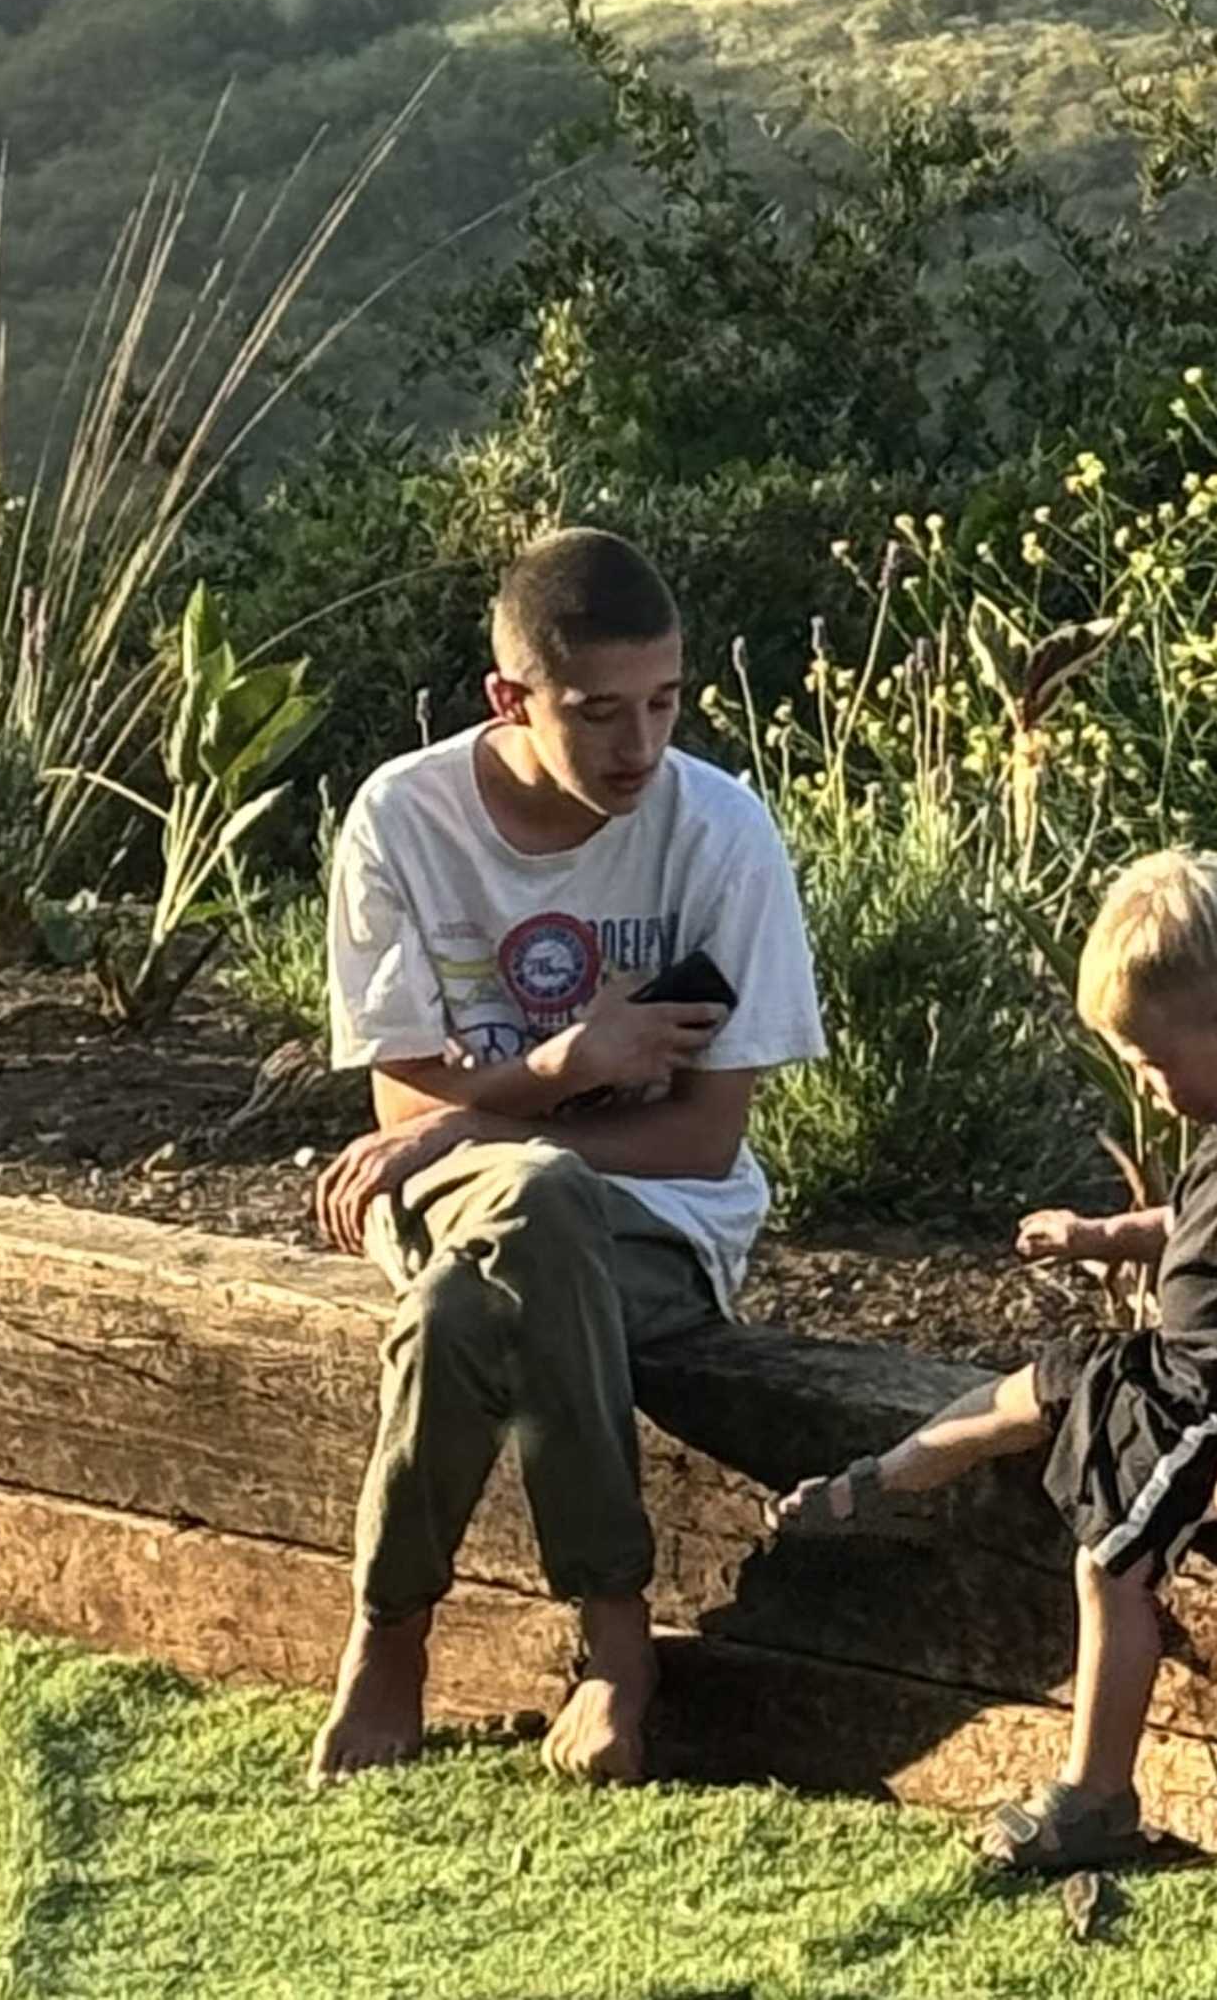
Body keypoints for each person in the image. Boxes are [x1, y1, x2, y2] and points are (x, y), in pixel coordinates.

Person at [307, 524, 826, 1788]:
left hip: (659, 1225)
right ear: (510, 697)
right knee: (530, 1199)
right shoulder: (403, 820)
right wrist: (558, 1072)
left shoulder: (723, 835)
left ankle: (389, 1632)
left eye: (664, 703)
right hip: (453, 1195)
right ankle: (614, 1645)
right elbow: (403, 1115)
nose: (640, 748)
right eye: (597, 713)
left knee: (456, 1310)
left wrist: (494, 1114)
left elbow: (704, 1141)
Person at [760, 846, 1217, 1882]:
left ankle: (1095, 1796)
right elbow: (1197, 1228)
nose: (1144, 1082)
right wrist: (1097, 1235)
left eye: (1147, 1061)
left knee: (1112, 1563)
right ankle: (886, 1480)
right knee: (1043, 1381)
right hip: (1182, 1369)